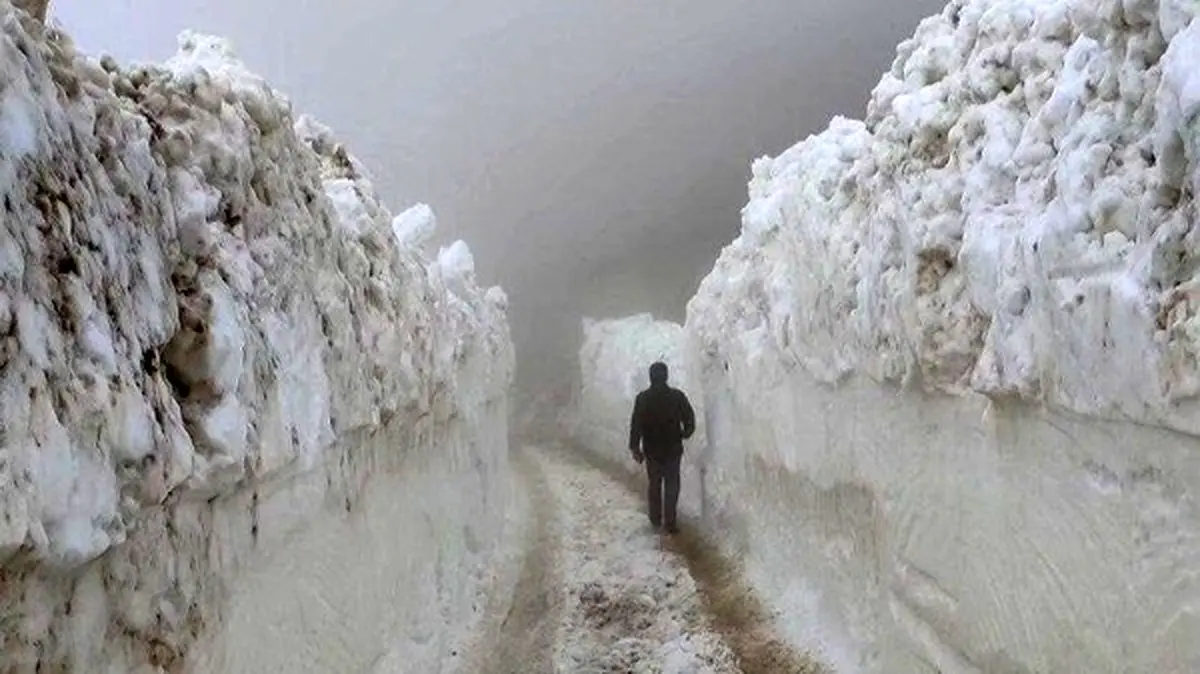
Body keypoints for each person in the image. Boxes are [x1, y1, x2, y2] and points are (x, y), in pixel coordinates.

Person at [628, 361, 695, 534]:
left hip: (652, 449)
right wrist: (685, 433)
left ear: (650, 377)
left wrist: (635, 447)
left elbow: (636, 424)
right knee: (672, 484)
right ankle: (670, 521)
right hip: (673, 448)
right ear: (666, 376)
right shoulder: (677, 396)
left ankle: (656, 517)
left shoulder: (643, 398)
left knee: (655, 484)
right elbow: (689, 418)